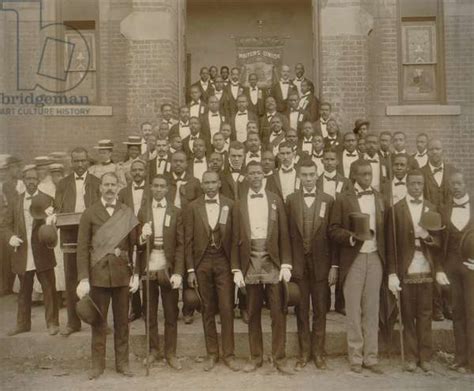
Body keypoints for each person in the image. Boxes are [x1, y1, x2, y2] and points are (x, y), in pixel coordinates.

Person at [76, 172, 139, 379]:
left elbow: (135, 246)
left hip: (122, 275)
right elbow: (83, 248)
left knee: (122, 322)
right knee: (98, 322)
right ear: (100, 188)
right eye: (106, 185)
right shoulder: (89, 213)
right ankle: (97, 365)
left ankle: (123, 363)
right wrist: (84, 277)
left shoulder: (126, 212)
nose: (110, 188)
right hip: (98, 275)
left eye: (113, 184)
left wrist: (136, 274)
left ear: (118, 187)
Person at [232, 161, 293, 374]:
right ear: (247, 176)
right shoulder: (238, 203)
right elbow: (234, 238)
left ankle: (279, 357)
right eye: (252, 173)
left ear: (263, 176)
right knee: (253, 311)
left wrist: (286, 263)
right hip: (249, 260)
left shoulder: (275, 200)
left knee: (278, 312)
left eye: (259, 173)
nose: (256, 176)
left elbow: (284, 233)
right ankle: (256, 356)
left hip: (272, 259)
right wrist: (236, 268)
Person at [387, 170, 449, 373]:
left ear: (423, 185)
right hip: (406, 268)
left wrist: (428, 238)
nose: (416, 187)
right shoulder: (396, 209)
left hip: (426, 266)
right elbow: (390, 245)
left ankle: (425, 357)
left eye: (419, 184)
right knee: (407, 315)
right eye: (412, 183)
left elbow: (440, 243)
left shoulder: (432, 208)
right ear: (406, 184)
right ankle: (411, 357)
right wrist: (392, 273)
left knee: (425, 314)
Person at [329, 160, 386, 374]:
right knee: (353, 309)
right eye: (363, 174)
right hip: (353, 259)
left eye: (370, 173)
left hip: (375, 258)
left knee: (372, 309)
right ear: (353, 175)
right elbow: (333, 230)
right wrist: (350, 238)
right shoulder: (343, 199)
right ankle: (355, 356)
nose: (367, 177)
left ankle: (371, 357)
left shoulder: (380, 198)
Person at [185, 171, 240, 372]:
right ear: (202, 185)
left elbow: (235, 239)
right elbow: (188, 241)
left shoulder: (230, 204)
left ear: (219, 184)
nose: (209, 186)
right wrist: (190, 269)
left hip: (223, 262)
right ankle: (212, 353)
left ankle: (229, 354)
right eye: (206, 183)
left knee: (226, 308)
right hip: (202, 262)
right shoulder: (192, 207)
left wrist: (235, 267)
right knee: (207, 308)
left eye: (212, 182)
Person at [286, 159, 335, 370]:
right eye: (304, 175)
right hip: (299, 265)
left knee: (321, 310)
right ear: (299, 176)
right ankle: (304, 353)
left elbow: (332, 236)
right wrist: (288, 265)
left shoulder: (328, 200)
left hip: (321, 265)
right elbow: (286, 235)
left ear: (317, 176)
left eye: (311, 175)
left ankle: (319, 353)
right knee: (302, 309)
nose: (307, 179)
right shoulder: (290, 200)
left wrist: (334, 266)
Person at [5, 165, 59, 336]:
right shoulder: (16, 201)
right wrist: (10, 237)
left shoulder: (48, 199)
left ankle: (52, 323)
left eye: (34, 179)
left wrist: (53, 220)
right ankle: (22, 324)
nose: (31, 182)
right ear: (23, 180)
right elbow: (5, 224)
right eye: (28, 179)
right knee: (24, 290)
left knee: (49, 288)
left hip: (42, 250)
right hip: (23, 251)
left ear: (38, 180)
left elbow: (58, 217)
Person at [137, 174, 184, 370]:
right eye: (155, 186)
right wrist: (142, 236)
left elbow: (181, 244)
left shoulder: (176, 212)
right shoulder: (143, 212)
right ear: (151, 188)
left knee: (171, 312)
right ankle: (153, 350)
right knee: (149, 311)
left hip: (168, 267)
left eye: (161, 186)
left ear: (167, 189)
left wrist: (178, 272)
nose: (158, 189)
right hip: (149, 264)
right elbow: (135, 243)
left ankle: (170, 352)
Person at [54, 147, 100, 336]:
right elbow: (57, 207)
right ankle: (73, 323)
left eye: (83, 160)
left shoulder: (97, 183)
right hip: (70, 235)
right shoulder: (63, 184)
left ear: (88, 161)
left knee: (97, 279)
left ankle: (99, 322)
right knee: (72, 277)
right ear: (71, 163)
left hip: (93, 236)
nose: (80, 164)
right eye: (76, 161)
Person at [441, 170, 474, 373]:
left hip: (472, 267)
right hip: (452, 267)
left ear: (466, 184)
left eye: (459, 183)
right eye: (452, 183)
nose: (456, 186)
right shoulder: (444, 209)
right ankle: (460, 358)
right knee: (458, 313)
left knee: (473, 311)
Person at [421, 139, 456, 321]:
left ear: (443, 151)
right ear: (427, 152)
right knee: (433, 264)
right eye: (432, 149)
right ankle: (436, 307)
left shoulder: (452, 171)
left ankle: (448, 304)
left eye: (438, 148)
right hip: (431, 226)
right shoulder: (421, 173)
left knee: (449, 263)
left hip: (450, 226)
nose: (435, 152)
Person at [118, 159, 148, 322]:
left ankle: (147, 309)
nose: (137, 173)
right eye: (134, 170)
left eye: (140, 170)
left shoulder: (151, 190)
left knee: (146, 270)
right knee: (131, 269)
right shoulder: (123, 193)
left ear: (145, 172)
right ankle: (135, 308)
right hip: (128, 233)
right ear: (130, 173)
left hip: (146, 231)